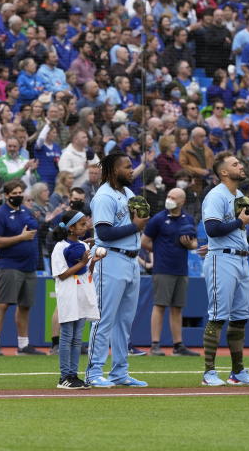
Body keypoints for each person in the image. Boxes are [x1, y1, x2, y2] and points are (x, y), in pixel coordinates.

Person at [200, 152, 249, 387]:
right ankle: (209, 372)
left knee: (240, 318)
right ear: (224, 172)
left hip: (240, 258)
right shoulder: (216, 195)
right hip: (222, 259)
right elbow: (212, 228)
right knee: (217, 316)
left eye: (240, 162)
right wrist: (240, 222)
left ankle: (238, 371)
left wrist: (239, 224)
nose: (241, 166)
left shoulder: (239, 195)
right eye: (235, 164)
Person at [85, 152, 149, 388]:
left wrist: (137, 223)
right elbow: (103, 233)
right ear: (113, 170)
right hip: (110, 258)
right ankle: (93, 372)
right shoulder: (103, 196)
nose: (132, 170)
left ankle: (120, 372)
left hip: (131, 259)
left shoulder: (128, 193)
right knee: (103, 318)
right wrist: (135, 226)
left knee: (124, 321)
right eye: (127, 167)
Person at [141, 187, 200, 356]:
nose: (169, 199)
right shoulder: (158, 219)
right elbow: (144, 241)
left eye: (173, 197)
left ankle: (178, 345)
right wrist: (160, 250)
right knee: (159, 305)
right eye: (168, 196)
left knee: (177, 308)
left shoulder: (188, 219)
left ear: (182, 201)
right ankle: (155, 345)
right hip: (163, 268)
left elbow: (194, 243)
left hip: (181, 269)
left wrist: (190, 245)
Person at [0, 179, 44, 356]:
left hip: (29, 265)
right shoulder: (0, 214)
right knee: (3, 303)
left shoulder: (27, 212)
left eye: (21, 193)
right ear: (6, 195)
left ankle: (23, 345)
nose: (18, 196)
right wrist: (20, 238)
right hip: (10, 265)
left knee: (25, 305)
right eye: (15, 194)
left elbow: (34, 233)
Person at [50, 207, 101, 390]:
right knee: (67, 336)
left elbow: (85, 273)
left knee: (77, 338)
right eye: (81, 224)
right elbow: (62, 274)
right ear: (71, 228)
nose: (85, 226)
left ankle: (74, 374)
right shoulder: (60, 247)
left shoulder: (85, 246)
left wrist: (92, 263)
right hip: (68, 294)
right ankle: (65, 375)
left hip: (82, 294)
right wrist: (81, 262)